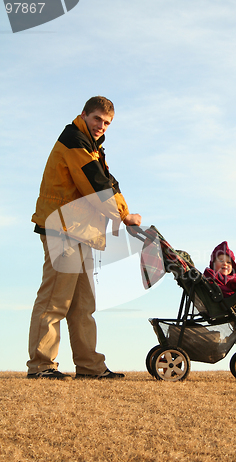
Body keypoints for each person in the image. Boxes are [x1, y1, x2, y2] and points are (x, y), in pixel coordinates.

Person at [27, 96, 142, 380]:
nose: (101, 126)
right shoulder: (74, 141)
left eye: (107, 123)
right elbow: (95, 184)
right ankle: (41, 365)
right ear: (84, 115)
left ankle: (90, 366)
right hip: (62, 228)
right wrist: (124, 215)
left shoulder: (92, 147)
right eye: (97, 119)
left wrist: (122, 211)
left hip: (79, 229)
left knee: (83, 304)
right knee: (55, 298)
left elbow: (108, 181)